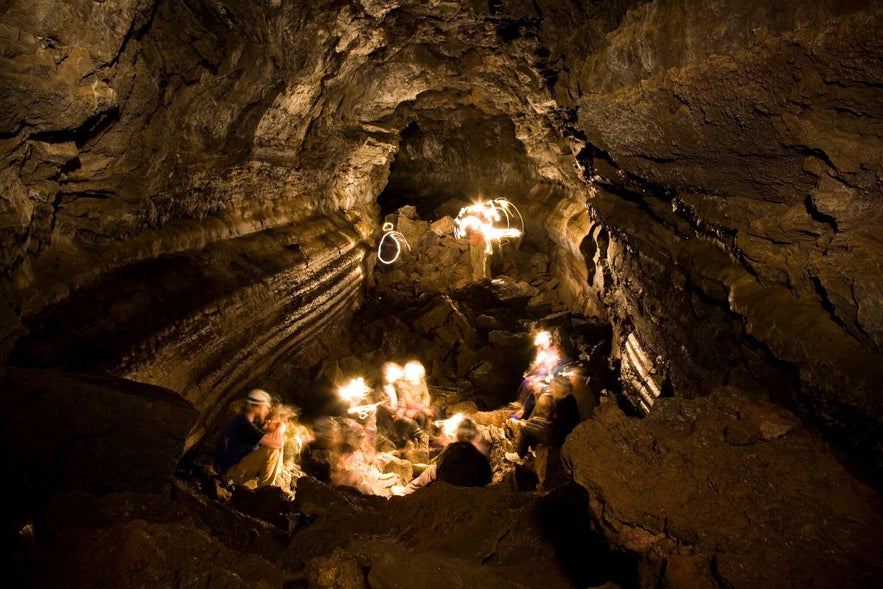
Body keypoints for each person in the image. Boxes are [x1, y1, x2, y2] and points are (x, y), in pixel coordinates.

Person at [396, 417, 491, 495]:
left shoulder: (454, 449)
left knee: (431, 470)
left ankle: (406, 492)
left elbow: (440, 467)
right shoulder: (481, 450)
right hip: (477, 487)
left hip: (451, 489)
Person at [214, 389, 286, 488]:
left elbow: (277, 427)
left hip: (238, 468)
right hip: (230, 473)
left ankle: (270, 482)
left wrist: (278, 429)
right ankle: (265, 489)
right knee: (272, 449)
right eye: (266, 408)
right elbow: (277, 443)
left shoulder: (252, 421)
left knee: (276, 444)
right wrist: (279, 432)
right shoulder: (245, 426)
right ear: (257, 408)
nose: (268, 411)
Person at [506, 374, 580, 464]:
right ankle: (532, 449)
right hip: (557, 429)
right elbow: (556, 421)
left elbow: (557, 426)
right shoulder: (567, 398)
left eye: (553, 388)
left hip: (556, 437)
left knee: (526, 429)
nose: (551, 390)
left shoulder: (562, 404)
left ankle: (519, 455)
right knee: (533, 420)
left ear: (558, 389)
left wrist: (543, 427)